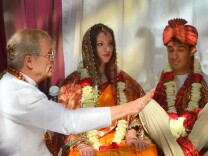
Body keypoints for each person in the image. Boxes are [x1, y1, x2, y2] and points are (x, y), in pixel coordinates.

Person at [0, 29, 155, 156]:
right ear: (29, 61)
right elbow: (68, 121)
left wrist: (131, 133)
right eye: (49, 54)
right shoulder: (18, 95)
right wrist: (129, 108)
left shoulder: (11, 83)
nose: (53, 60)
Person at [45, 23, 158, 156]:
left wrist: (131, 135)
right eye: (100, 44)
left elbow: (137, 112)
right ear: (90, 48)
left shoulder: (122, 79)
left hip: (118, 137)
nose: (107, 49)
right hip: (87, 140)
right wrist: (80, 144)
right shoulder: (73, 82)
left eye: (110, 44)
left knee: (146, 151)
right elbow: (64, 119)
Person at [139, 18, 208, 156]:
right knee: (145, 103)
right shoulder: (156, 80)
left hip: (194, 137)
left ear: (192, 50)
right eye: (170, 50)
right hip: (166, 137)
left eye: (180, 50)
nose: (174, 56)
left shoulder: (204, 81)